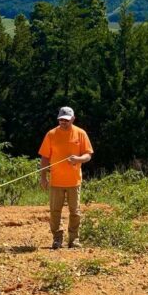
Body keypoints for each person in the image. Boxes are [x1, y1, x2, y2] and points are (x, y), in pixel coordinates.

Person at [39, 106, 93, 249]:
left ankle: (74, 239)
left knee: (75, 211)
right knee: (55, 211)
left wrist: (78, 159)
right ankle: (57, 238)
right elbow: (45, 157)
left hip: (74, 181)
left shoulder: (80, 133)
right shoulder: (51, 134)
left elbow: (88, 155)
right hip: (56, 181)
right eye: (61, 119)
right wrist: (43, 177)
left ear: (73, 119)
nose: (63, 122)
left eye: (66, 120)